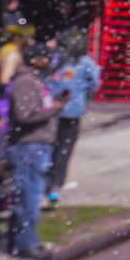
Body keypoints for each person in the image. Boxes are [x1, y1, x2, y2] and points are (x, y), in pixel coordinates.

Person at [4, 46, 64, 260]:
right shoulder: (25, 82)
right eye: (45, 58)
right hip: (28, 147)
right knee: (29, 196)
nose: (49, 61)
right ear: (35, 60)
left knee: (27, 195)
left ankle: (15, 239)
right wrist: (54, 109)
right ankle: (26, 244)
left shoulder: (35, 80)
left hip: (36, 145)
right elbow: (25, 115)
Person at [44, 30, 100, 206]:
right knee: (65, 149)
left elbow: (48, 82)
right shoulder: (86, 63)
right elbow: (95, 84)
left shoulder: (58, 61)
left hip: (54, 110)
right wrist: (82, 88)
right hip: (73, 111)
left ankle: (48, 180)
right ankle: (55, 186)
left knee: (52, 146)